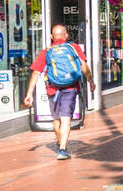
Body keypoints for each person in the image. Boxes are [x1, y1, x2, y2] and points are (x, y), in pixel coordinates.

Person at [22, 25, 93, 161]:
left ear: (51, 37)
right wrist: (90, 80)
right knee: (66, 118)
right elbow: (84, 66)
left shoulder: (46, 52)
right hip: (70, 88)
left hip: (52, 90)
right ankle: (62, 149)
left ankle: (62, 145)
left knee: (56, 121)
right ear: (66, 35)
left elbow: (36, 72)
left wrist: (29, 94)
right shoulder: (74, 48)